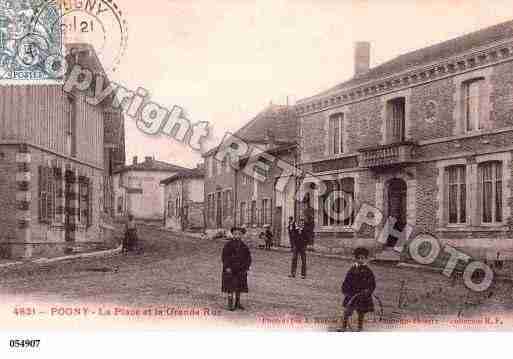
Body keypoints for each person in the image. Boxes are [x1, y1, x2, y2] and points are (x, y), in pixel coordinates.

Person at [340, 247, 376, 332]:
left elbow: (372, 284)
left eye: (362, 258)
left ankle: (360, 328)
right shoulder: (352, 270)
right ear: (356, 259)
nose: (360, 260)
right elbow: (346, 281)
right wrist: (345, 291)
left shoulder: (368, 271)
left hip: (363, 295)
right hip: (351, 294)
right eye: (358, 258)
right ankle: (343, 327)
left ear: (366, 259)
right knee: (347, 311)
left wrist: (368, 291)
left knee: (361, 312)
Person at [222, 227, 252, 311]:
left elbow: (248, 258)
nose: (237, 236)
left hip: (241, 270)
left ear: (242, 235)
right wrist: (227, 267)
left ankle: (237, 303)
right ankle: (230, 304)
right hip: (230, 269)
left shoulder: (244, 246)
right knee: (230, 287)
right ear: (232, 235)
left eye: (239, 234)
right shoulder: (228, 245)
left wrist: (247, 267)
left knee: (239, 286)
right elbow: (224, 257)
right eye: (235, 234)